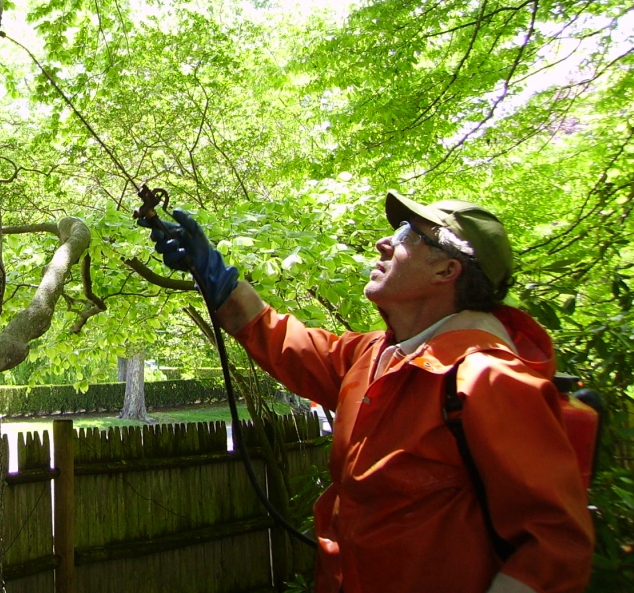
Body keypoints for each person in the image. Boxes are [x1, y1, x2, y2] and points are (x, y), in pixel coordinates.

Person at [143, 191, 594, 593]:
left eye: (409, 235)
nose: (385, 242)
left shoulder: (488, 377)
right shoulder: (377, 354)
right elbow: (283, 341)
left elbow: (553, 546)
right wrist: (214, 274)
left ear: (447, 269)